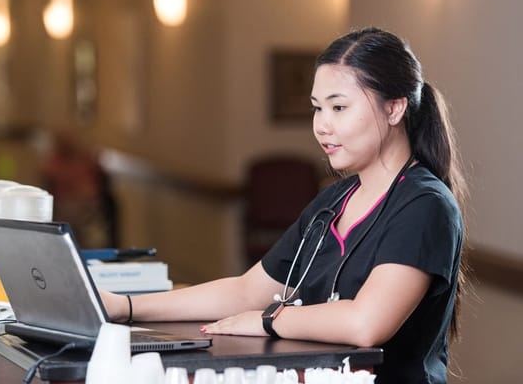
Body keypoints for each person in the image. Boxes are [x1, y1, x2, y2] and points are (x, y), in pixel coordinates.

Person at [101, 27, 468, 384]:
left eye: (338, 107)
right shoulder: (333, 201)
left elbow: (365, 324)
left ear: (395, 109)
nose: (322, 126)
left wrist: (267, 319)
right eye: (317, 108)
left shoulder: (425, 205)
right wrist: (127, 306)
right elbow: (247, 290)